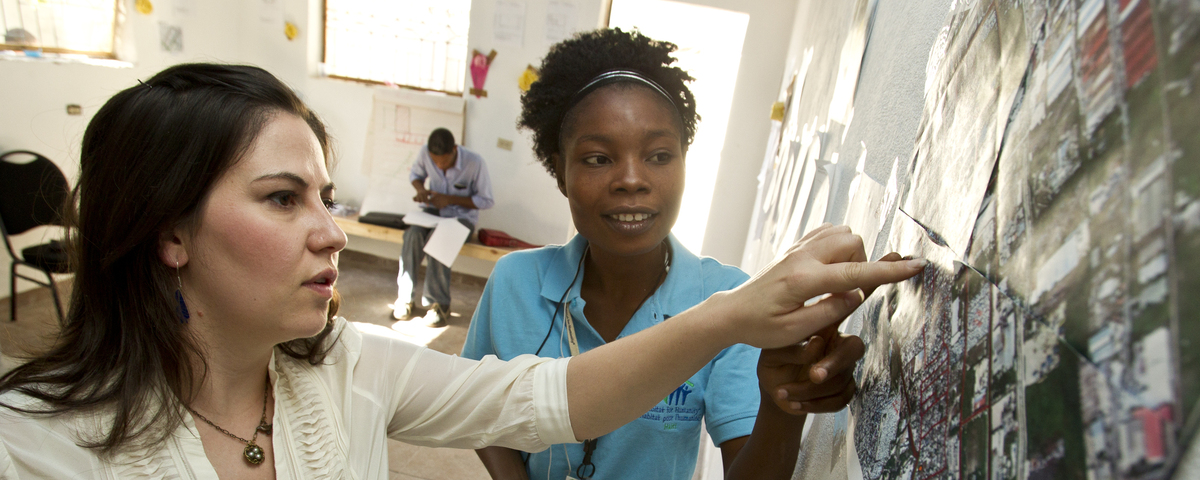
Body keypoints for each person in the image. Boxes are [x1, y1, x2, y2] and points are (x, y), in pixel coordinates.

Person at [0, 63, 922, 479]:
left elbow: (548, 400)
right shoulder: (32, 446)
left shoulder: (348, 367)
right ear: (169, 232)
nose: (330, 232)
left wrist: (732, 317)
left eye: (326, 196)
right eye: (285, 199)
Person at [462, 28, 896, 480]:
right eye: (597, 158)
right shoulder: (515, 282)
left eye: (659, 155)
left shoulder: (732, 300)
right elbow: (473, 404)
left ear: (684, 163)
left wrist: (782, 409)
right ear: (559, 171)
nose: (631, 179)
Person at [394, 128, 493, 327]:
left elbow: (486, 201)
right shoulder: (424, 152)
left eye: (444, 162)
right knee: (412, 234)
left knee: (443, 238)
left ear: (455, 150)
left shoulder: (475, 162)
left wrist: (450, 199)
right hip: (433, 212)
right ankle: (405, 299)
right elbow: (416, 174)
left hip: (462, 218)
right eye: (435, 162)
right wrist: (421, 190)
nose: (439, 165)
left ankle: (439, 304)